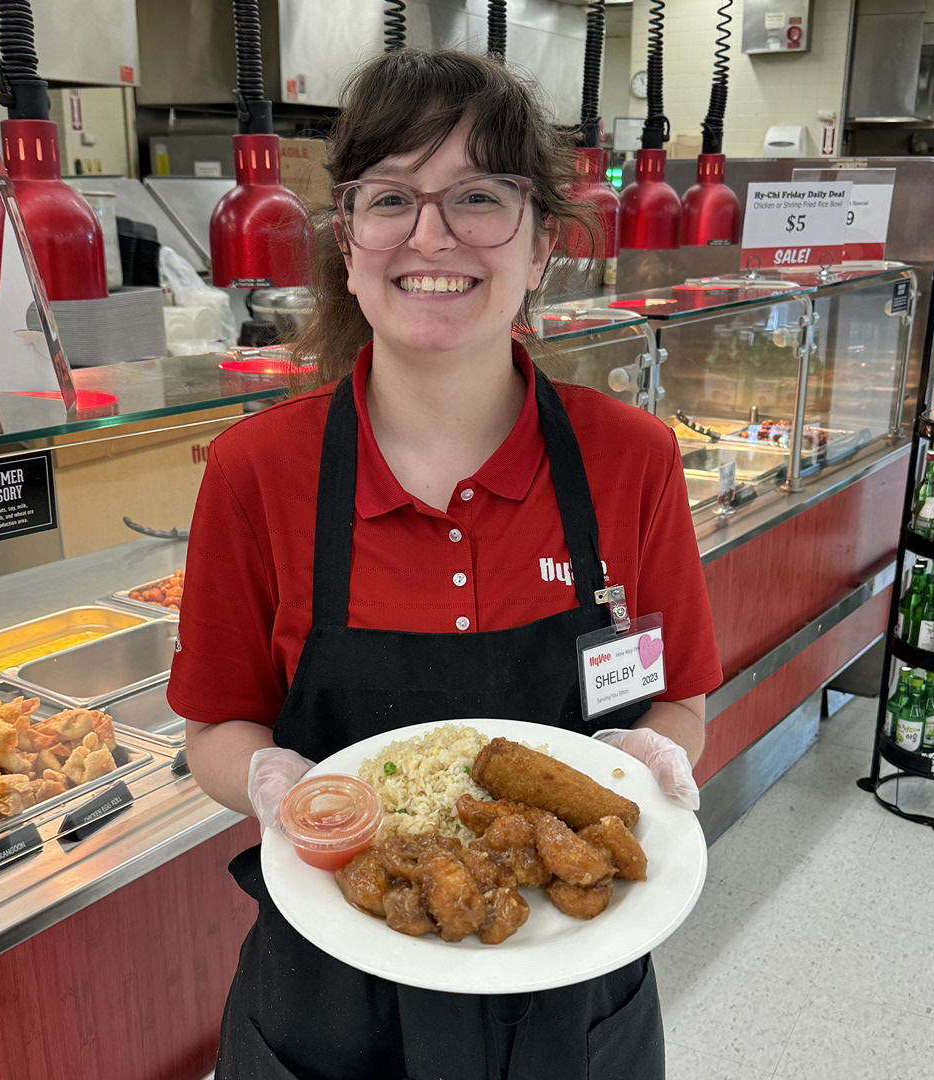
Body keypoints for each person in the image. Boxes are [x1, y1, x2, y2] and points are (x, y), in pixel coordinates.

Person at [168, 48, 721, 1080]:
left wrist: (656, 758)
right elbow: (216, 728)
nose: (431, 236)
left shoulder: (632, 459)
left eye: (477, 195)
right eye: (389, 199)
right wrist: (266, 778)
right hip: (326, 1001)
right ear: (346, 237)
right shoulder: (256, 470)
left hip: (572, 976)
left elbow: (671, 697)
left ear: (542, 241)